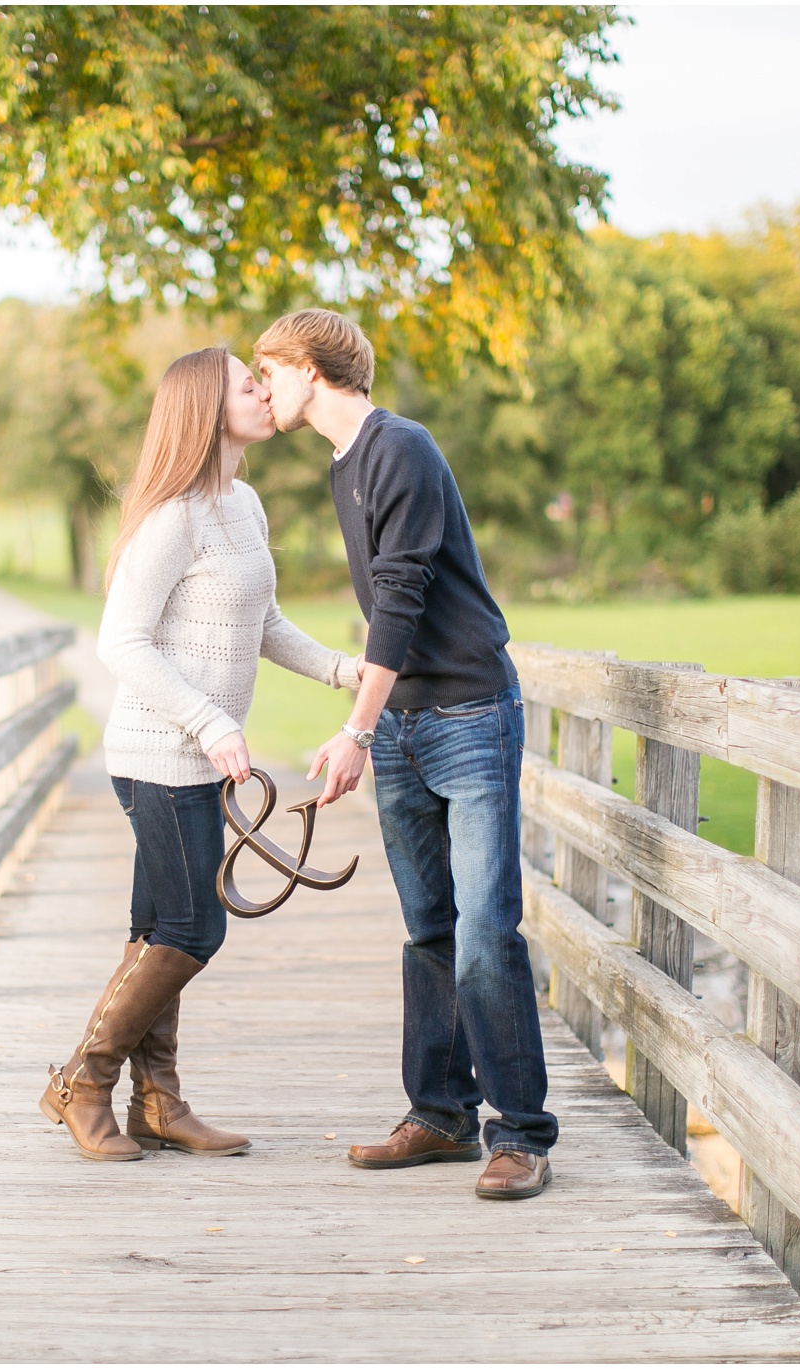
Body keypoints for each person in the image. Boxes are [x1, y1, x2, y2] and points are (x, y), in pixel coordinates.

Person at [254, 309, 558, 1200]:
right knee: (429, 925)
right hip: (406, 726)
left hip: (467, 713)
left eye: (266, 371)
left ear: (308, 367)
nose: (261, 388)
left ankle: (522, 1135)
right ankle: (440, 1114)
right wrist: (378, 726)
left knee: (481, 930)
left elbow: (402, 597)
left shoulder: (401, 448)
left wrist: (354, 727)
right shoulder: (345, 463)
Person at [39, 346, 362, 1162]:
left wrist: (343, 670)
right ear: (206, 410)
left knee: (156, 927)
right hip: (158, 755)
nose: (263, 392)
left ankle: (159, 1101)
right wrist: (212, 723)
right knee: (192, 926)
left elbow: (264, 622)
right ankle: (83, 1079)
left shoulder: (243, 505)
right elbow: (122, 642)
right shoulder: (171, 516)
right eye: (246, 385)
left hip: (192, 758)